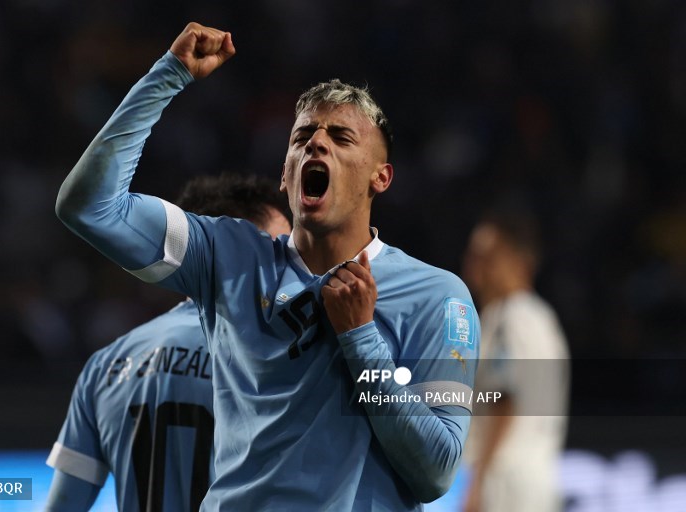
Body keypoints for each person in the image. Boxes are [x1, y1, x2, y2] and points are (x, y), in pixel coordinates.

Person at [55, 22, 479, 511]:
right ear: (284, 172)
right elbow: (89, 207)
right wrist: (167, 76)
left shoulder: (436, 295)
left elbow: (437, 470)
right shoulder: (227, 256)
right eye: (302, 137)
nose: (316, 145)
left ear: (380, 177)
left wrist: (361, 343)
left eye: (341, 138)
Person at [45, 174, 291, 512]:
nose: (294, 264)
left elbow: (63, 506)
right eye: (281, 248)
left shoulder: (105, 365)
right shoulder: (276, 357)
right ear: (238, 250)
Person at [460, 210, 570, 512]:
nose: (474, 265)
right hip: (532, 476)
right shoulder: (537, 317)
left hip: (507, 482)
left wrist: (477, 482)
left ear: (518, 261)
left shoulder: (514, 316)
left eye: (487, 256)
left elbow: (504, 398)